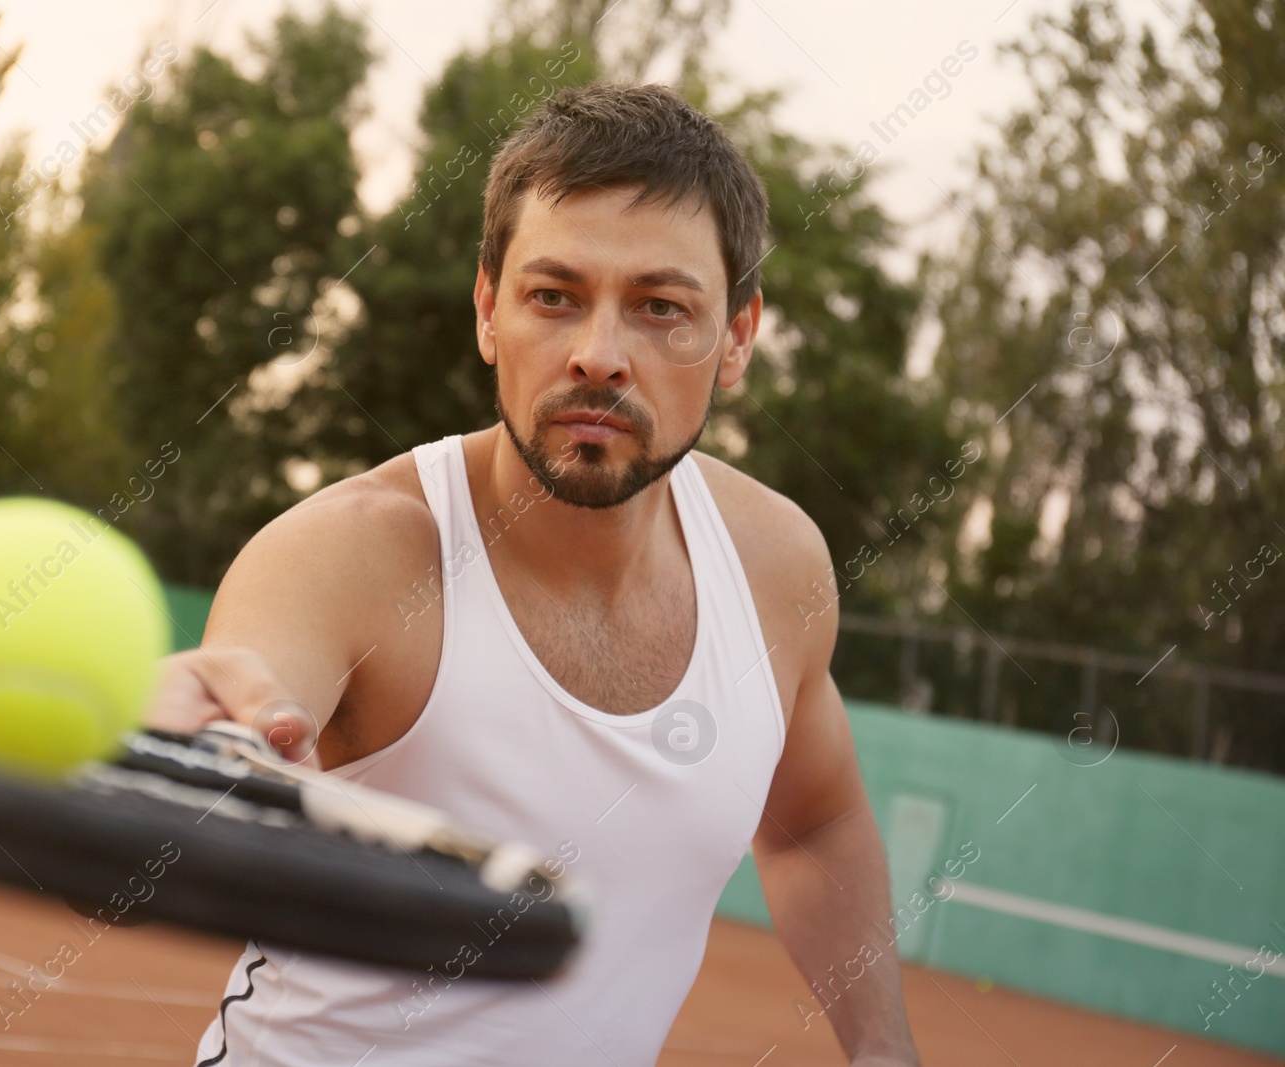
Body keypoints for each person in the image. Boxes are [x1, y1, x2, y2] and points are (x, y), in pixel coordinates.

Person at [152, 81, 920, 1067]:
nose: (599, 356)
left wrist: (884, 1046)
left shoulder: (776, 567)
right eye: (554, 296)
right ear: (486, 309)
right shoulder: (355, 551)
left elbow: (814, 821)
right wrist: (196, 737)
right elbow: (242, 707)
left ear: (735, 339)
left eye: (660, 308)